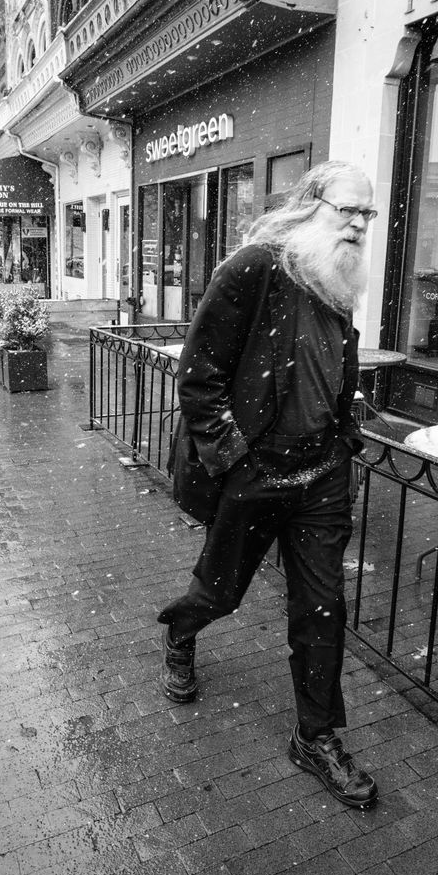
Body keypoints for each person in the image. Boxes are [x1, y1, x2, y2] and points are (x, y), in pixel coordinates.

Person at [158, 160, 378, 809]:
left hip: (321, 479)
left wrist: (345, 442)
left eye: (368, 214)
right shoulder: (255, 270)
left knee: (321, 608)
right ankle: (179, 632)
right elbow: (199, 378)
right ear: (312, 204)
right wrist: (233, 461)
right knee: (219, 593)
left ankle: (317, 736)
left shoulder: (337, 275)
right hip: (258, 476)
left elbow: (340, 365)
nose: (361, 225)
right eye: (349, 210)